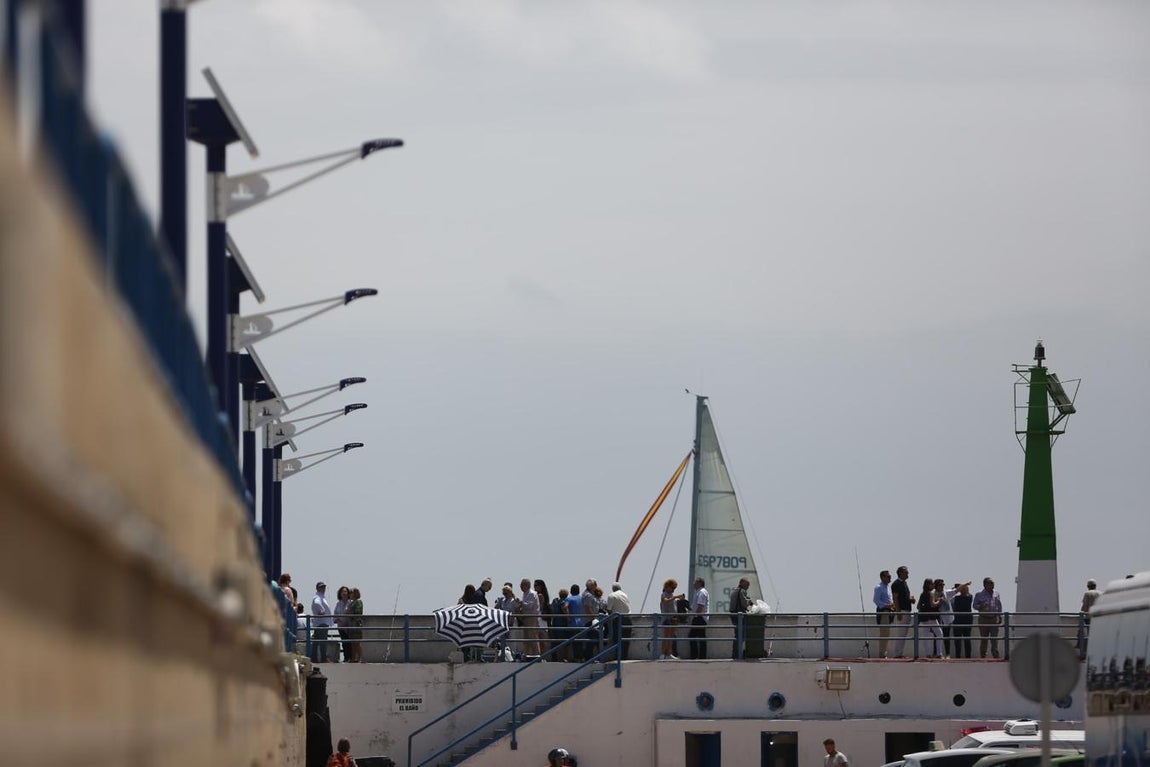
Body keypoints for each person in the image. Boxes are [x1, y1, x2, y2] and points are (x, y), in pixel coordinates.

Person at [972, 576, 1002, 659]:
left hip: (994, 618)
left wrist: (1000, 615)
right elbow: (974, 606)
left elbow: (998, 605)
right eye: (991, 583)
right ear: (985, 585)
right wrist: (981, 606)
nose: (993, 585)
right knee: (984, 639)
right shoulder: (979, 594)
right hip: (983, 618)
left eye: (993, 583)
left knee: (994, 639)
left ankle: (995, 655)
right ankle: (983, 656)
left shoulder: (996, 593)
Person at [890, 566, 915, 658]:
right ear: (900, 573)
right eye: (906, 572)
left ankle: (900, 653)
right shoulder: (896, 584)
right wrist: (898, 612)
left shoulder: (904, 583)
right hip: (902, 611)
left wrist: (910, 599)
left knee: (903, 634)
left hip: (907, 610)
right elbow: (895, 598)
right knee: (901, 633)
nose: (908, 574)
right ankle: (897, 654)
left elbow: (903, 597)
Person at [606, 582, 632, 660]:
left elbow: (609, 610)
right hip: (628, 619)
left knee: (617, 639)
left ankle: (618, 657)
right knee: (626, 640)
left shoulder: (612, 595)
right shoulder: (625, 595)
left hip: (618, 619)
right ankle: (624, 657)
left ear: (613, 589)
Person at [659, 578, 684, 659]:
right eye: (672, 587)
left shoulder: (672, 595)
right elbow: (666, 601)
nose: (673, 590)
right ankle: (663, 654)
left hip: (673, 618)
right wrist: (675, 597)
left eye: (674, 588)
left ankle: (669, 654)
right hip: (667, 619)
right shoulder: (664, 594)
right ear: (667, 586)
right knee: (666, 636)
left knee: (671, 637)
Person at [917, 578, 942, 658]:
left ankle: (927, 654)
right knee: (939, 634)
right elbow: (932, 604)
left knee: (926, 635)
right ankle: (939, 653)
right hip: (931, 617)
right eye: (932, 584)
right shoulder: (930, 593)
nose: (933, 585)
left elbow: (918, 606)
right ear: (928, 585)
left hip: (924, 617)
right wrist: (939, 601)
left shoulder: (922, 594)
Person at [872, 570, 895, 658]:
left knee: (887, 633)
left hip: (889, 611)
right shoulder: (879, 587)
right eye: (888, 576)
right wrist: (887, 605)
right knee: (884, 633)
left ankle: (884, 652)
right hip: (884, 611)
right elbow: (876, 600)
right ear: (882, 577)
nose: (890, 578)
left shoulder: (888, 587)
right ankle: (882, 654)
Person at [519, 578, 544, 657]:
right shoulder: (525, 594)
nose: (521, 587)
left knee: (533, 637)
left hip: (532, 617)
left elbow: (530, 606)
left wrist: (521, 603)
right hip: (526, 617)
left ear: (527, 585)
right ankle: (528, 654)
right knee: (527, 638)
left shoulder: (532, 594)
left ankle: (536, 654)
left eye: (522, 585)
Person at [311, 581, 335, 663]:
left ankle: (314, 658)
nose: (323, 588)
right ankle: (323, 658)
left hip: (319, 622)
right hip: (322, 622)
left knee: (316, 641)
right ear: (317, 588)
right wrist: (321, 611)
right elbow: (317, 603)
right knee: (322, 641)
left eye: (324, 587)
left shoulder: (321, 596)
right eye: (321, 587)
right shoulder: (318, 597)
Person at [1079, 579, 1102, 658]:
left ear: (1088, 586)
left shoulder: (1087, 593)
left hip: (1089, 617)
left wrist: (1081, 613)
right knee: (1098, 635)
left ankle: (1090, 653)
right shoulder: (1100, 593)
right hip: (1098, 618)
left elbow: (1084, 606)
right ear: (1095, 586)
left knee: (1089, 635)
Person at [729, 577, 751, 659]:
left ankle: (736, 654)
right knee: (740, 635)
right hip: (739, 616)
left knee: (737, 635)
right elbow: (744, 603)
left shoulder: (735, 590)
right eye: (747, 585)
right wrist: (749, 601)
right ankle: (737, 655)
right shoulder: (741, 591)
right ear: (742, 583)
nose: (748, 587)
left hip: (733, 614)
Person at [936, 579, 958, 659]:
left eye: (943, 584)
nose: (942, 586)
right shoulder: (933, 594)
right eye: (940, 585)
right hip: (937, 618)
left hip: (946, 618)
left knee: (946, 635)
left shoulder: (946, 592)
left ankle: (948, 653)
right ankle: (937, 653)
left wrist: (965, 584)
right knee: (937, 636)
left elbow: (956, 590)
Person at [951, 581, 974, 658]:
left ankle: (968, 656)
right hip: (958, 620)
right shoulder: (957, 597)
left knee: (967, 639)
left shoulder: (969, 597)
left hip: (965, 620)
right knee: (958, 640)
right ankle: (958, 656)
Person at [688, 577, 710, 660]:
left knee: (693, 636)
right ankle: (701, 656)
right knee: (701, 637)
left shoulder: (701, 592)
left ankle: (695, 656)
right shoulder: (700, 592)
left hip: (699, 618)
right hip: (700, 618)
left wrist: (695, 615)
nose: (694, 584)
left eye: (695, 582)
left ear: (700, 583)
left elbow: (700, 606)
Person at [334, 586, 351, 662]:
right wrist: (340, 621)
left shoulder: (350, 603)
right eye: (342, 592)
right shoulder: (338, 604)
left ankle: (350, 657)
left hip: (349, 626)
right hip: (341, 626)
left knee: (349, 642)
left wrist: (347, 623)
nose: (344, 593)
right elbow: (335, 615)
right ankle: (345, 657)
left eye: (345, 591)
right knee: (344, 642)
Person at [347, 587, 365, 663]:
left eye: (351, 593)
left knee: (357, 642)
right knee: (352, 643)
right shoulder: (351, 602)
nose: (350, 594)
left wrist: (350, 612)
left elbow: (358, 612)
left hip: (356, 624)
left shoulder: (358, 602)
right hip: (351, 624)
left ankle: (360, 658)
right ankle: (353, 658)